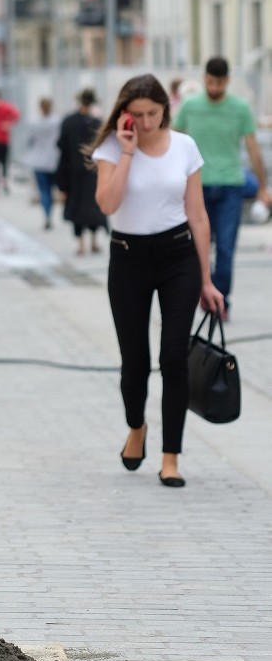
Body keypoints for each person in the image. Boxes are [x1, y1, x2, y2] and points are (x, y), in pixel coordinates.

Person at [92, 74, 224, 489]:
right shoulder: (111, 148)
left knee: (173, 358)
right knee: (135, 362)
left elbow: (198, 216)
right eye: (139, 115)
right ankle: (136, 427)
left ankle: (171, 457)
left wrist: (206, 279)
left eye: (154, 113)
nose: (147, 123)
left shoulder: (184, 146)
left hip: (177, 257)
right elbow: (109, 204)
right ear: (125, 114)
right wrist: (128, 153)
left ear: (165, 109)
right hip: (128, 259)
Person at [173, 56, 271, 318]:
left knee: (226, 247)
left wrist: (263, 187)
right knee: (197, 247)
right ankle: (201, 293)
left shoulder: (240, 108)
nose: (214, 88)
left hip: (230, 186)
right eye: (210, 82)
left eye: (219, 83)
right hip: (198, 187)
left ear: (227, 81)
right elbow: (172, 139)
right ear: (204, 78)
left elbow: (253, 149)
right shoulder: (190, 105)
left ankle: (220, 301)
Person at [55, 88, 107, 254]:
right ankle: (93, 241)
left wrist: (61, 181)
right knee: (93, 207)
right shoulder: (97, 123)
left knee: (76, 207)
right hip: (93, 172)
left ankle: (80, 244)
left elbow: (61, 148)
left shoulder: (68, 121)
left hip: (73, 173)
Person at [23, 98, 61, 229]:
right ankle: (50, 214)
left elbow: (29, 140)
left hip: (39, 161)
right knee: (52, 190)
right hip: (53, 160)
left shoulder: (34, 122)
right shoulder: (57, 121)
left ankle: (47, 216)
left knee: (44, 191)